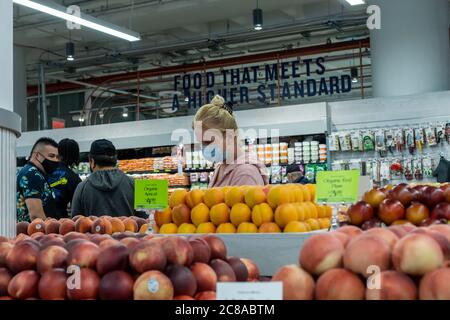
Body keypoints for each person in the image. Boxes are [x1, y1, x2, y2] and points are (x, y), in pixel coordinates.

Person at [193, 95, 268, 187]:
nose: (204, 147)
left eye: (208, 141)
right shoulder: (221, 166)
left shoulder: (245, 174)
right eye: (201, 142)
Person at [71, 139, 135, 217]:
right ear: (115, 160)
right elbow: (147, 221)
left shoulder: (81, 188)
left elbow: (76, 221)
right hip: (129, 229)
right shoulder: (134, 184)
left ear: (92, 161)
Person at [16, 137, 59, 222]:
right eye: (51, 156)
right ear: (37, 155)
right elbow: (36, 216)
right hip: (35, 233)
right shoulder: (32, 174)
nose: (55, 160)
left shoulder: (34, 173)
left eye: (57, 157)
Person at [47, 139, 82, 219]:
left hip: (38, 221)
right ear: (75, 155)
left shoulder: (44, 170)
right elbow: (77, 209)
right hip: (60, 223)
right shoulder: (73, 178)